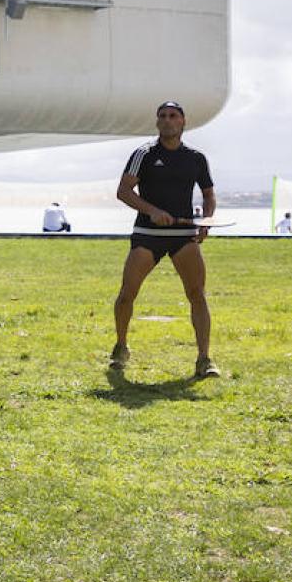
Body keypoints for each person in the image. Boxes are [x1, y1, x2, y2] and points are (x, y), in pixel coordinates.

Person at [110, 101, 219, 379]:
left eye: (173, 116)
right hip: (148, 236)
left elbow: (208, 194)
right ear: (157, 122)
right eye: (162, 116)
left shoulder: (196, 158)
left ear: (183, 121)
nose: (167, 120)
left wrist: (206, 221)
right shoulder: (143, 154)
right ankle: (121, 347)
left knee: (198, 295)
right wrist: (152, 211)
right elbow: (124, 191)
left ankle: (204, 359)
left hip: (183, 237)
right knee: (127, 295)